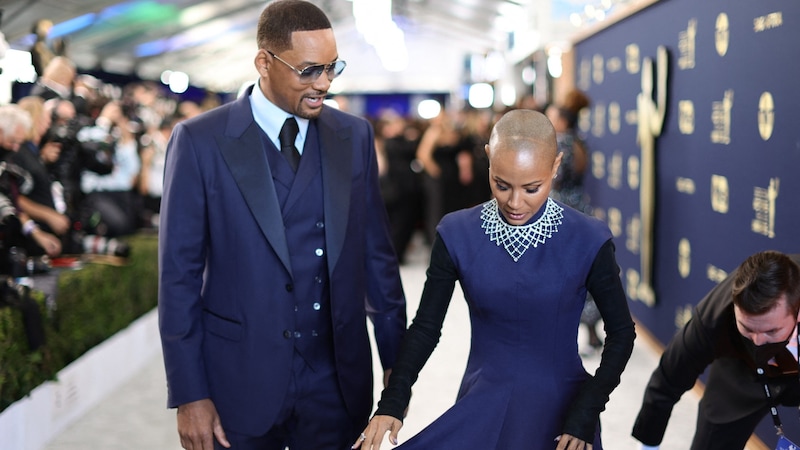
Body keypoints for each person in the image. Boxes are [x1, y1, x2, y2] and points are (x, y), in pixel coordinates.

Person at [157, 1, 407, 449]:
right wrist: (189, 393)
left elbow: (377, 260)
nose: (325, 84)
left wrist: (396, 365)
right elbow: (178, 278)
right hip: (238, 382)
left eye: (332, 68)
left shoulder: (354, 137)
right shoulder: (199, 141)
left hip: (336, 385)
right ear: (263, 63)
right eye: (309, 70)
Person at [356, 109, 636, 450]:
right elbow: (426, 327)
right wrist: (393, 401)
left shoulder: (588, 238)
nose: (515, 203)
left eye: (533, 188)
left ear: (555, 166)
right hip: (482, 403)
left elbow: (621, 333)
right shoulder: (457, 232)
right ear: (488, 157)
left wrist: (587, 409)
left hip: (566, 414)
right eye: (501, 185)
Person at [632, 250, 800, 450]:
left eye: (771, 331)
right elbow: (669, 377)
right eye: (747, 328)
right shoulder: (714, 318)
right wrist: (649, 445)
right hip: (743, 372)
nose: (757, 340)